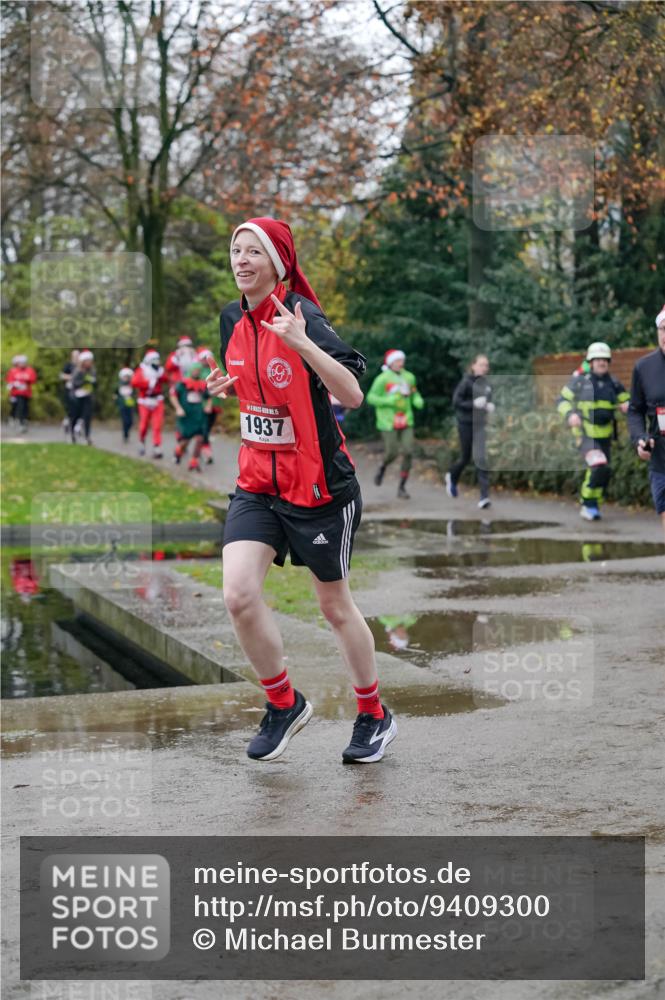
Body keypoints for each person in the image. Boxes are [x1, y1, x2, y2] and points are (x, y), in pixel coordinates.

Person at [207, 216, 397, 765]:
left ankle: (373, 714)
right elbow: (258, 383)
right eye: (235, 251)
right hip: (256, 484)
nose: (241, 261)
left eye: (253, 253)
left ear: (278, 263)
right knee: (238, 594)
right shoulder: (230, 318)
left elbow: (353, 394)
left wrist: (303, 343)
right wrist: (229, 385)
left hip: (318, 488)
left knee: (333, 606)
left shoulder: (303, 315)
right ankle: (283, 704)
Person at [556, 342, 629, 520]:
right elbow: (561, 400)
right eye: (598, 359)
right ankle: (587, 503)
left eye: (604, 359)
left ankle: (593, 504)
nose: (601, 362)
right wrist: (570, 415)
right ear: (591, 361)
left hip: (605, 436)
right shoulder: (580, 381)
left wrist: (628, 405)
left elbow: (627, 401)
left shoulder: (614, 383)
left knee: (604, 471)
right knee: (598, 466)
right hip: (585, 435)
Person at [367, 350, 424, 499]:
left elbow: (414, 393)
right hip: (388, 421)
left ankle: (402, 487)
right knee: (392, 452)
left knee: (408, 451)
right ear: (390, 363)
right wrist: (388, 401)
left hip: (406, 419)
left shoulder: (409, 377)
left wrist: (417, 400)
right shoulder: (382, 379)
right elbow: (370, 398)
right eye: (397, 361)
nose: (401, 363)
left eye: (402, 360)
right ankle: (382, 467)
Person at [628, 306, 665, 532]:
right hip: (662, 460)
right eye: (663, 328)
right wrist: (640, 438)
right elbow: (635, 410)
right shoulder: (644, 367)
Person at [445, 354, 494, 509]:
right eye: (481, 365)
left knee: (481, 459)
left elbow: (488, 401)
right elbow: (456, 402)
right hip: (465, 424)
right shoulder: (465, 382)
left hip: (480, 425)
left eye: (486, 365)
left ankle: (484, 497)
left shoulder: (487, 385)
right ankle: (452, 476)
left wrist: (489, 406)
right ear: (473, 366)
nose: (483, 368)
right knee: (465, 457)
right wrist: (473, 403)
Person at [169, 359, 210, 472]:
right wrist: (178, 408)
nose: (196, 372)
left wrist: (208, 406)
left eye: (198, 370)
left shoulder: (203, 384)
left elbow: (208, 397)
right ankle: (178, 450)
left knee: (200, 438)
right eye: (195, 370)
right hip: (186, 416)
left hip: (198, 415)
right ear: (191, 371)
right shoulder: (182, 384)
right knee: (185, 440)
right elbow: (173, 396)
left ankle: (194, 461)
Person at [131, 349, 169, 458]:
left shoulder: (159, 370)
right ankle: (142, 442)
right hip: (145, 400)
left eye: (157, 360)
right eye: (154, 360)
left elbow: (166, 379)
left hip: (157, 400)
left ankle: (157, 447)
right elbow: (134, 382)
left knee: (157, 425)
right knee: (144, 425)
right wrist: (148, 382)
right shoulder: (142, 370)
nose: (156, 362)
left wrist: (160, 374)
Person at [197, 346, 222, 464]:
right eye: (203, 359)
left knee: (208, 427)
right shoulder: (198, 370)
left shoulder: (216, 369)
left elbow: (222, 384)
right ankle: (207, 452)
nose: (204, 361)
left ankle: (200, 447)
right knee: (204, 428)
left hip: (215, 406)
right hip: (202, 406)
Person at [68, 349, 96, 444]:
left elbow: (95, 383)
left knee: (87, 416)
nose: (89, 363)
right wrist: (84, 381)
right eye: (87, 360)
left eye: (90, 360)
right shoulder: (78, 371)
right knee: (75, 416)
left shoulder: (92, 371)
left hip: (87, 396)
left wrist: (92, 382)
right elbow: (74, 383)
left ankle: (87, 436)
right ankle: (72, 434)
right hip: (76, 397)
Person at [6, 354, 37, 433]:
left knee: (24, 408)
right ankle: (17, 420)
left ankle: (23, 422)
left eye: (24, 362)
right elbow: (9, 382)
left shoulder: (29, 370)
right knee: (17, 407)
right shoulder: (13, 371)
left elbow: (33, 379)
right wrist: (15, 384)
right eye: (21, 362)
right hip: (16, 393)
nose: (22, 364)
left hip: (26, 393)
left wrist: (26, 381)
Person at [59, 349, 79, 437]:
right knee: (70, 408)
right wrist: (71, 377)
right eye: (75, 356)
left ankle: (73, 425)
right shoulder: (68, 365)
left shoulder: (81, 366)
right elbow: (61, 375)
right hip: (69, 389)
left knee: (77, 408)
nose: (77, 358)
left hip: (78, 390)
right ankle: (67, 421)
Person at [115, 367, 136, 443]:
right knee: (125, 420)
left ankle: (127, 431)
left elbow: (135, 394)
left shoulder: (132, 385)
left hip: (130, 405)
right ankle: (125, 435)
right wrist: (117, 400)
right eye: (125, 376)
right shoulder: (119, 385)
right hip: (122, 405)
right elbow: (115, 394)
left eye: (128, 377)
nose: (126, 378)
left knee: (130, 421)